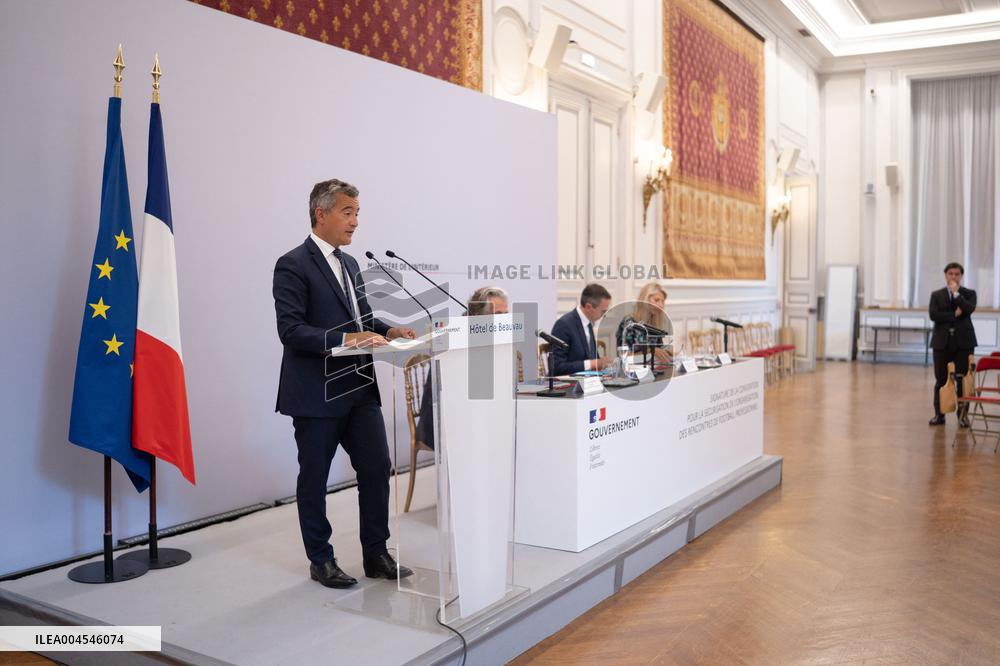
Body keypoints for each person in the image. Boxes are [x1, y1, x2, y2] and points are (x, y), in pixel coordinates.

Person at [273, 178, 417, 589]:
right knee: (314, 478)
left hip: (358, 388)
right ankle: (321, 559)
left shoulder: (351, 264)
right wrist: (347, 339)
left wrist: (388, 331)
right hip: (316, 392)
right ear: (321, 213)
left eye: (357, 213)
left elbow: (362, 318)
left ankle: (376, 553)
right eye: (347, 212)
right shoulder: (292, 264)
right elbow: (291, 330)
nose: (355, 222)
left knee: (376, 467)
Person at [414, 286, 510, 449]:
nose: (504, 321)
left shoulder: (499, 339)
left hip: (480, 412)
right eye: (498, 315)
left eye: (506, 315)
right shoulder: (453, 337)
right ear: (478, 316)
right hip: (444, 419)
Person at [928, 261, 977, 427]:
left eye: (957, 274)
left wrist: (956, 294)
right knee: (941, 380)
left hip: (964, 343)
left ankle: (962, 416)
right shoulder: (936, 295)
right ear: (945, 275)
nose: (953, 277)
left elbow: (969, 309)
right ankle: (939, 415)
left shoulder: (969, 294)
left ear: (961, 276)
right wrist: (953, 315)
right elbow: (934, 315)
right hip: (942, 343)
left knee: (962, 381)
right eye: (950, 274)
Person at [550, 283, 614, 375]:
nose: (604, 315)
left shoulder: (588, 323)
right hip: (569, 381)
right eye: (603, 311)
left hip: (589, 380)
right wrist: (592, 364)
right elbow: (557, 367)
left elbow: (593, 359)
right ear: (588, 307)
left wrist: (603, 363)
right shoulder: (563, 325)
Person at [616, 283, 672, 366]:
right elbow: (624, 357)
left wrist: (669, 353)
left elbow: (659, 350)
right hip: (632, 371)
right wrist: (650, 350)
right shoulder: (628, 323)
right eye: (656, 300)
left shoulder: (654, 324)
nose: (661, 305)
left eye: (662, 301)